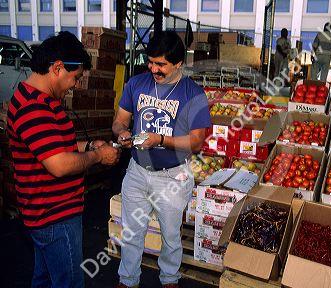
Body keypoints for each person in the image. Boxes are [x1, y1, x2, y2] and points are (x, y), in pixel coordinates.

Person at [6, 31, 120, 288]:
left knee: (44, 279)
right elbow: (58, 164)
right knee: (68, 283)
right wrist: (98, 155)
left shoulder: (40, 99)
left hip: (45, 214)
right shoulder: (34, 108)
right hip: (55, 216)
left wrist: (88, 145)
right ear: (58, 68)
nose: (75, 85)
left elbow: (50, 147)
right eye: (75, 77)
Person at [112, 31, 211, 288]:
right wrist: (122, 132)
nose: (153, 68)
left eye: (161, 64)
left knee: (170, 236)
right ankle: (128, 279)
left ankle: (169, 279)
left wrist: (161, 140)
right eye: (151, 62)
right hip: (137, 170)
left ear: (178, 63)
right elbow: (120, 120)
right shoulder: (136, 84)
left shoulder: (193, 93)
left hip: (173, 175)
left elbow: (196, 141)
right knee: (132, 232)